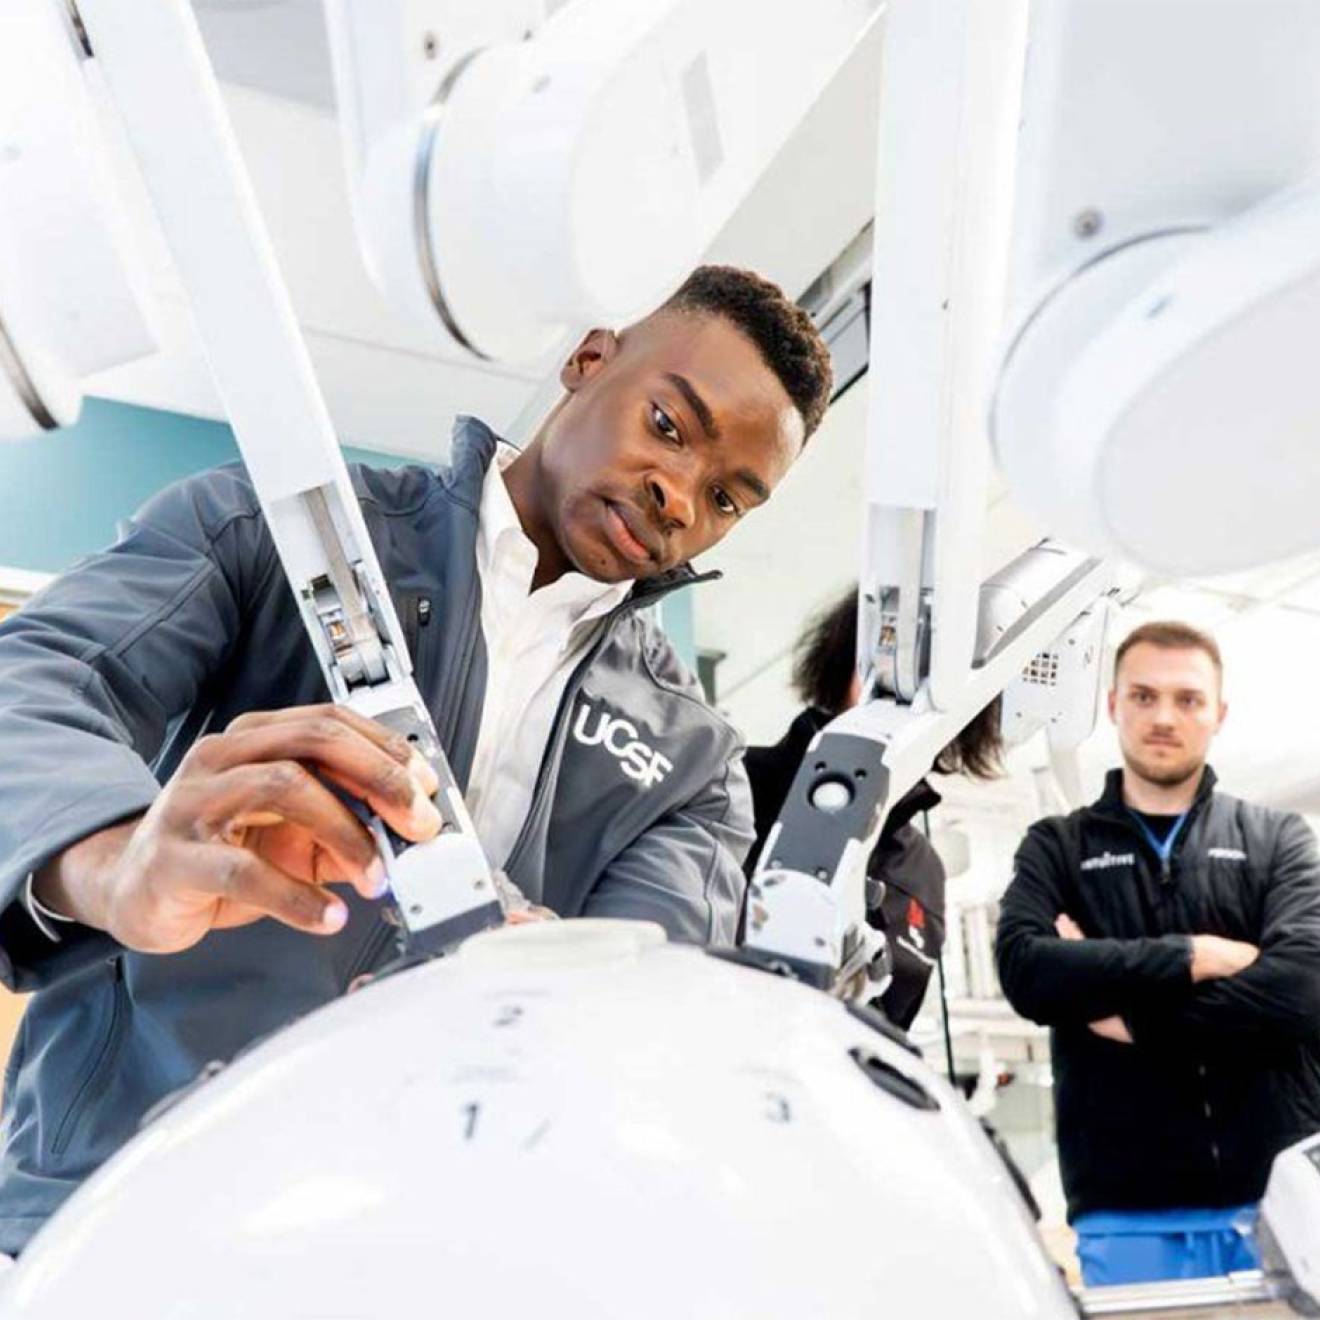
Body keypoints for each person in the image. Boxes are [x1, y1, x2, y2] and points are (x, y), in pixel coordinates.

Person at [0, 265, 834, 1252]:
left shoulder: (694, 768)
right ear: (589, 361)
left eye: (729, 498)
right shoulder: (278, 531)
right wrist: (111, 863)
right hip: (116, 1206)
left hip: (405, 1239)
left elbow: (634, 1015)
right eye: (668, 426)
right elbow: (37, 686)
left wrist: (549, 996)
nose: (678, 495)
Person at [995, 620, 1320, 1286]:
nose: (1164, 716)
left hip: (1286, 1196)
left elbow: (1303, 988)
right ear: (1114, 706)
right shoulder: (1058, 848)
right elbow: (1029, 971)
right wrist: (1191, 955)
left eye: (1188, 699)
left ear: (1218, 714)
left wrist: (1125, 1014)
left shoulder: (1277, 839)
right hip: (1128, 1207)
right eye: (1143, 696)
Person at [744, 585, 1002, 1029]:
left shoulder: (921, 870)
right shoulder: (735, 782)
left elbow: (888, 1024)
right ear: (846, 662)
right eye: (891, 666)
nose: (912, 695)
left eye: (937, 679)